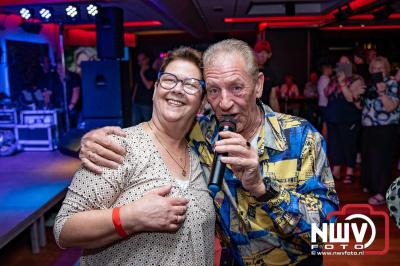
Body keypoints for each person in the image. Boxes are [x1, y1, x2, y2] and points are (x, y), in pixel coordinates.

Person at [78, 39, 339, 265]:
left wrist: (262, 188)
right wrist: (94, 139)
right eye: (214, 90)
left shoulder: (300, 137)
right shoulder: (199, 134)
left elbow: (327, 234)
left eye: (237, 87)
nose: (225, 103)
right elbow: (157, 131)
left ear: (258, 85)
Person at [54, 47, 216, 265]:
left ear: (202, 102)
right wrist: (131, 218)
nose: (178, 89)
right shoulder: (118, 147)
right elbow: (64, 229)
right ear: (155, 89)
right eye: (169, 80)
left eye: (191, 84)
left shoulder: (201, 151)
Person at [361, 56, 399, 205]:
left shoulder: (392, 83)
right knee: (370, 160)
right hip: (368, 127)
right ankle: (373, 187)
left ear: (386, 69)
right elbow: (361, 107)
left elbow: (391, 107)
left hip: (385, 128)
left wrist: (382, 93)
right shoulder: (370, 85)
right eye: (374, 68)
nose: (377, 71)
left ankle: (381, 192)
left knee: (382, 161)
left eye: (380, 68)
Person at [324, 55, 362, 184]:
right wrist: (334, 81)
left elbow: (351, 98)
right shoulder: (333, 79)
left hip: (349, 117)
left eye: (346, 63)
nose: (343, 65)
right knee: (335, 145)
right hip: (333, 116)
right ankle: (336, 170)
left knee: (349, 144)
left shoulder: (357, 79)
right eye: (340, 63)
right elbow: (326, 93)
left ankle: (350, 170)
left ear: (351, 65)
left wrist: (343, 83)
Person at [132, 52, 157, 125]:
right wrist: (133, 99)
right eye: (139, 60)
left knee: (147, 124)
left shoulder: (152, 71)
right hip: (137, 102)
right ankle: (135, 136)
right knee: (135, 123)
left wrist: (142, 74)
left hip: (146, 103)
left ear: (147, 60)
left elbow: (148, 86)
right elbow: (136, 86)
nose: (140, 62)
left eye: (142, 60)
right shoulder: (138, 71)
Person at [254, 40, 280, 112]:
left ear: (269, 55)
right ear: (254, 53)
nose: (262, 55)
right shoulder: (248, 70)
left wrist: (278, 118)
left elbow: (273, 98)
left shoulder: (271, 73)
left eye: (265, 52)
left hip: (265, 113)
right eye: (260, 51)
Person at [55, 61, 82, 128]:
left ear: (65, 68)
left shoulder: (73, 76)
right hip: (61, 106)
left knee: (73, 121)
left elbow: (76, 91)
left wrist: (72, 105)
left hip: (73, 107)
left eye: (61, 68)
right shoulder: (55, 79)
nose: (59, 70)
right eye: (58, 69)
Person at [317, 63, 333, 138]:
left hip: (322, 103)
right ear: (326, 69)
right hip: (325, 104)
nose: (332, 70)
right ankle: (325, 143)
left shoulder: (322, 78)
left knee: (325, 124)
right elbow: (328, 93)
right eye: (330, 68)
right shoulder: (325, 79)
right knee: (325, 125)